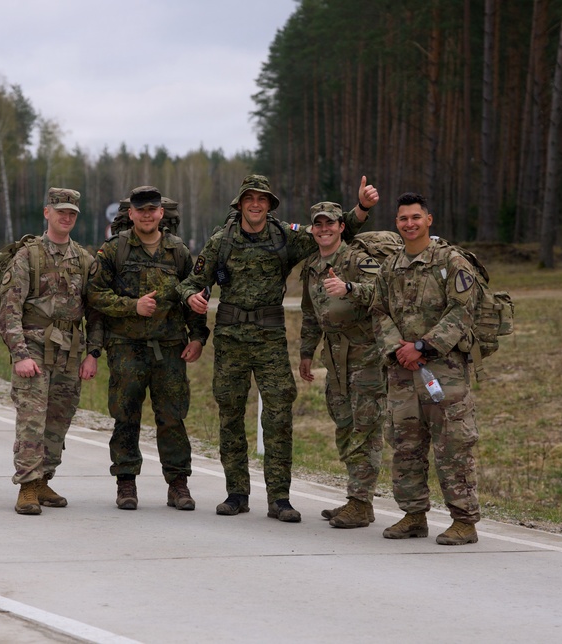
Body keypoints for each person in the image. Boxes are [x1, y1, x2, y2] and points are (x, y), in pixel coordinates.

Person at [178, 174, 377, 521]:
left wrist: (360, 208)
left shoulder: (285, 235)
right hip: (230, 338)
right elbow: (192, 282)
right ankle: (236, 494)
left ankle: (279, 499)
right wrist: (191, 296)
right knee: (230, 415)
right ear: (239, 204)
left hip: (270, 338)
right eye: (249, 199)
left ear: (269, 205)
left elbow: (329, 232)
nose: (256, 205)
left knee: (278, 417)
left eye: (262, 199)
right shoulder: (221, 241)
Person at [88, 186, 208, 511]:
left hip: (170, 348)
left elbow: (193, 295)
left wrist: (198, 337)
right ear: (131, 214)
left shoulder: (178, 250)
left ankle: (178, 484)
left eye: (152, 209)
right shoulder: (114, 250)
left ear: (159, 213)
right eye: (140, 210)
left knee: (172, 417)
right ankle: (126, 482)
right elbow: (95, 295)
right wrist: (131, 306)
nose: (146, 215)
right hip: (126, 348)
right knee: (126, 415)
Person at [370, 192, 481, 545]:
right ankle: (413, 515)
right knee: (405, 445)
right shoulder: (390, 267)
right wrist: (399, 350)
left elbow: (462, 311)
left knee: (453, 445)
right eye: (403, 218)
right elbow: (378, 311)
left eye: (415, 217)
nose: (409, 223)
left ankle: (464, 521)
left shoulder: (451, 261)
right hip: (402, 373)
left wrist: (422, 346)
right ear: (397, 223)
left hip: (444, 370)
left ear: (428, 220)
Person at [0, 187, 103, 515]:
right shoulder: (28, 255)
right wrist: (20, 354)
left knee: (59, 421)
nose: (66, 217)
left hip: (70, 355)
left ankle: (44, 479)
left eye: (72, 213)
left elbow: (95, 311)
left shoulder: (84, 259)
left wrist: (93, 353)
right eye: (61, 212)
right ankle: (27, 486)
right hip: (35, 351)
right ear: (47, 213)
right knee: (32, 420)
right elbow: (10, 308)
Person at [298, 202, 385, 529]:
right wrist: (307, 352)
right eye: (318, 224)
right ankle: (355, 498)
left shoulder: (356, 260)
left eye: (330, 224)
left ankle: (361, 502)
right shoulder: (311, 266)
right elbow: (310, 313)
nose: (324, 229)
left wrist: (350, 288)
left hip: (365, 356)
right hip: (334, 359)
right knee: (345, 426)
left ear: (341, 227)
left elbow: (385, 292)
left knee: (366, 428)